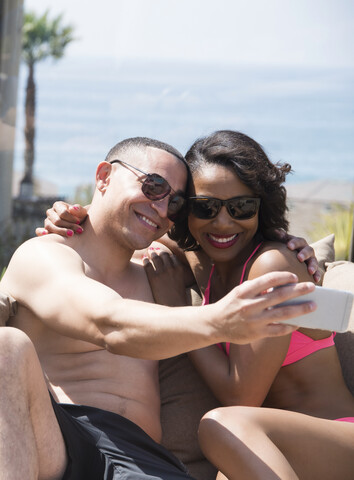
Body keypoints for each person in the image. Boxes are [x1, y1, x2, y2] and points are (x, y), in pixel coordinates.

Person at [0, 136, 316, 480]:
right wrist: (221, 321)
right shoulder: (46, 255)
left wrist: (289, 245)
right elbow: (108, 323)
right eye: (153, 186)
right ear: (104, 176)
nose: (164, 209)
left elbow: (229, 246)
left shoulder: (160, 269)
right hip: (63, 440)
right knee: (7, 347)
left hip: (142, 460)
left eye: (178, 203)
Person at [147, 130, 354, 480]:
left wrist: (177, 309)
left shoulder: (272, 266)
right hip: (265, 451)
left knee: (221, 426)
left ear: (262, 207)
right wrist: (71, 216)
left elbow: (239, 396)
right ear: (185, 212)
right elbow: (131, 230)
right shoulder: (206, 260)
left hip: (336, 439)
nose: (223, 222)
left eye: (242, 207)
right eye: (205, 207)